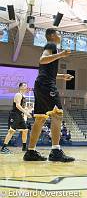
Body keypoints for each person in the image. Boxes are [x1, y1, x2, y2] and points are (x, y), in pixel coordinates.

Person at [23, 28, 74, 162]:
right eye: (58, 33)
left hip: (41, 84)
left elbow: (46, 70)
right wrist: (61, 54)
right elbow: (42, 60)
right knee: (57, 114)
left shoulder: (52, 48)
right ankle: (56, 151)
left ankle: (30, 151)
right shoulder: (51, 45)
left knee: (40, 119)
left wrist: (61, 76)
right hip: (46, 85)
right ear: (52, 36)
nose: (60, 36)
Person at [0, 83, 32, 154]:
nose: (26, 86)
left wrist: (28, 110)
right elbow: (17, 105)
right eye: (24, 85)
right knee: (11, 131)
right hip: (15, 115)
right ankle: (3, 148)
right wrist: (26, 113)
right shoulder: (18, 95)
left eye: (26, 85)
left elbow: (22, 107)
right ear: (20, 87)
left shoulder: (24, 96)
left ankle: (24, 147)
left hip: (20, 115)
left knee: (25, 130)